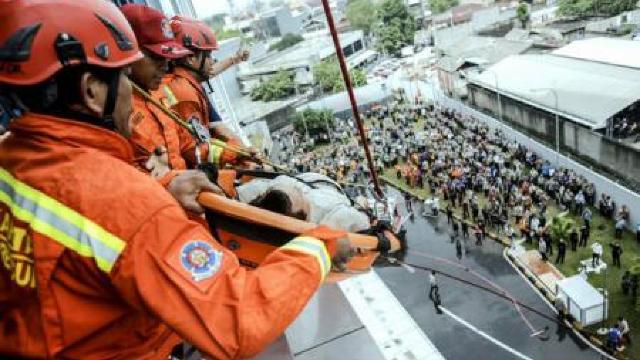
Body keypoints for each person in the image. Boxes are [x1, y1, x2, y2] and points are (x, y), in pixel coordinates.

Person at [0, 2, 352, 358]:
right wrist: (320, 248)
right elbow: (240, 320)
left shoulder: (11, 161)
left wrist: (162, 186)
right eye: (123, 77)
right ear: (92, 92)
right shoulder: (123, 201)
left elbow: (76, 218)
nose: (133, 93)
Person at [164, 16, 249, 149]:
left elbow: (209, 70)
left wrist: (235, 59)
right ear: (190, 58)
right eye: (208, 55)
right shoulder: (185, 94)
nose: (212, 60)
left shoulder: (185, 79)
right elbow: (204, 141)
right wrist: (248, 154)